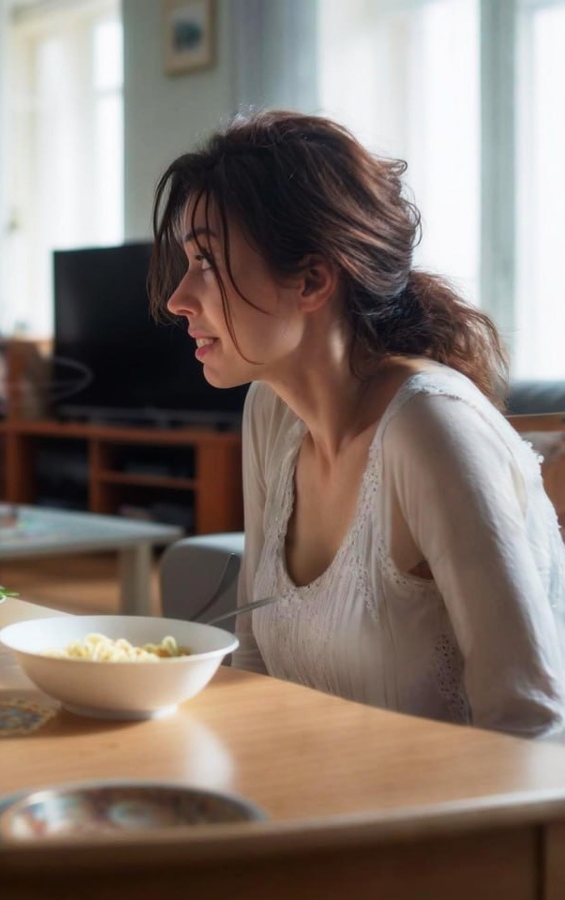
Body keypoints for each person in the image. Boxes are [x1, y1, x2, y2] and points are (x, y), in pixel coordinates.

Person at [150, 109, 565, 738]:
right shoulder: (271, 409)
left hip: (449, 823)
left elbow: (530, 720)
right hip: (314, 809)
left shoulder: (431, 428)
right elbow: (255, 654)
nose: (179, 298)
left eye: (206, 263)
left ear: (313, 279)